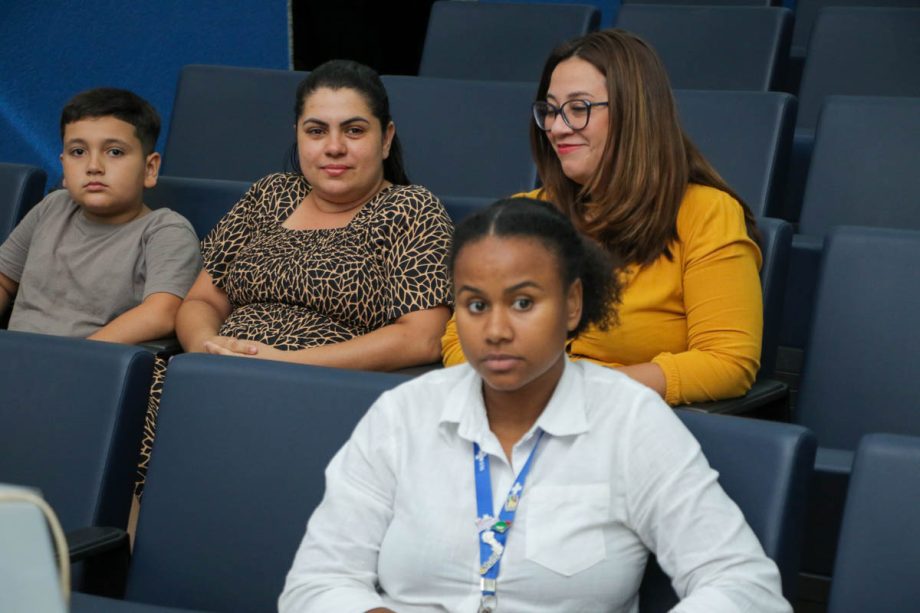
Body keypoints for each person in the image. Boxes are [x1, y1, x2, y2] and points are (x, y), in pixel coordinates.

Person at [279, 199, 790, 612]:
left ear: (572, 304)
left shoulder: (630, 420)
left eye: (523, 303)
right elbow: (316, 583)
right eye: (476, 305)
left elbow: (744, 586)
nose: (497, 331)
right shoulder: (401, 415)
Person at [135, 60, 453, 494]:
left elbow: (421, 337)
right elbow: (201, 302)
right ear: (298, 135)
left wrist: (279, 366)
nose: (334, 147)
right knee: (133, 412)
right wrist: (207, 349)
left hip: (321, 394)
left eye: (354, 130)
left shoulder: (412, 210)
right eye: (316, 130)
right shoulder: (270, 194)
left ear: (386, 139)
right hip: (213, 378)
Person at [441, 30, 763, 405]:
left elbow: (726, 362)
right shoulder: (521, 214)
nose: (557, 128)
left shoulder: (706, 212)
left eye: (579, 109)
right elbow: (458, 340)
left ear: (634, 113)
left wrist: (580, 392)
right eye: (550, 110)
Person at [0, 88, 201, 343]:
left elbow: (162, 313)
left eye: (114, 152)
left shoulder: (165, 231)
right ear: (63, 167)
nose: (94, 167)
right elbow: (3, 281)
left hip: (89, 368)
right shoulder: (51, 207)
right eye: (78, 152)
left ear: (150, 169)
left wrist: (77, 357)